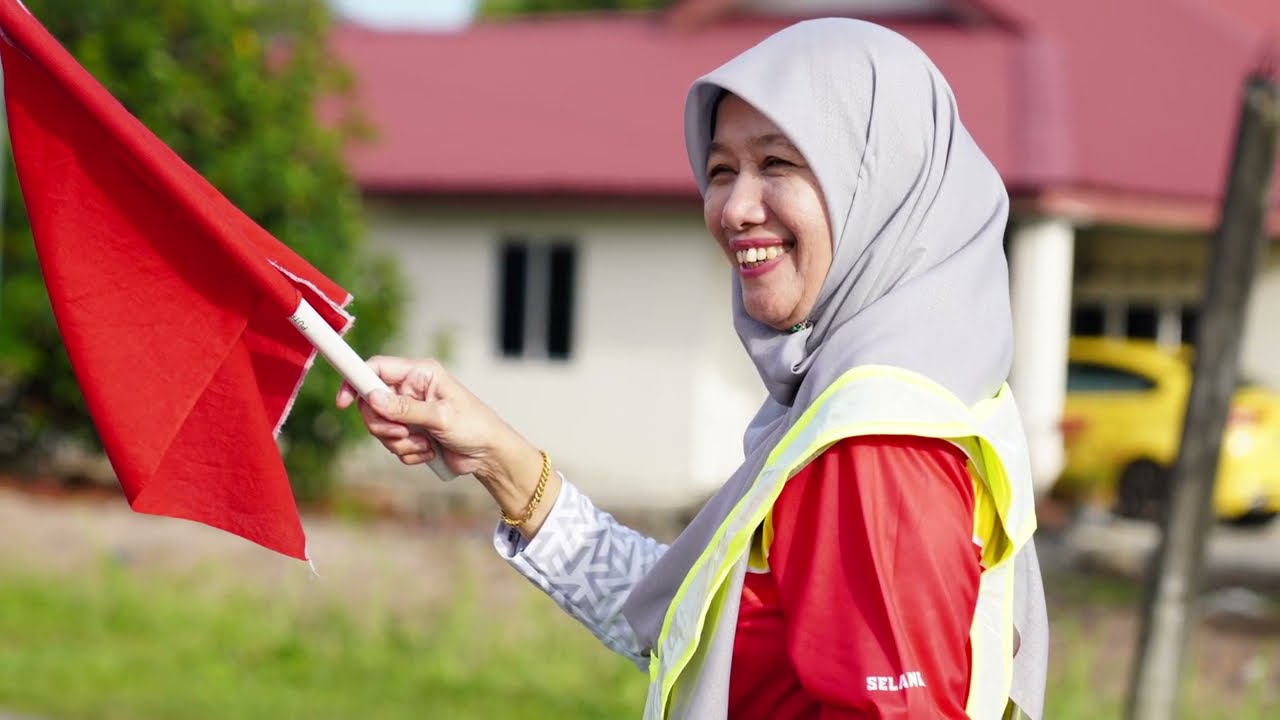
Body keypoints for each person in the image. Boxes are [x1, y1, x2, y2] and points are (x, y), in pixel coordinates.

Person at [336, 17, 1048, 720]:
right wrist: (496, 455)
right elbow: (688, 619)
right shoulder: (916, 392)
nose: (735, 208)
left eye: (779, 163)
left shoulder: (875, 446)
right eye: (719, 170)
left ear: (882, 183)